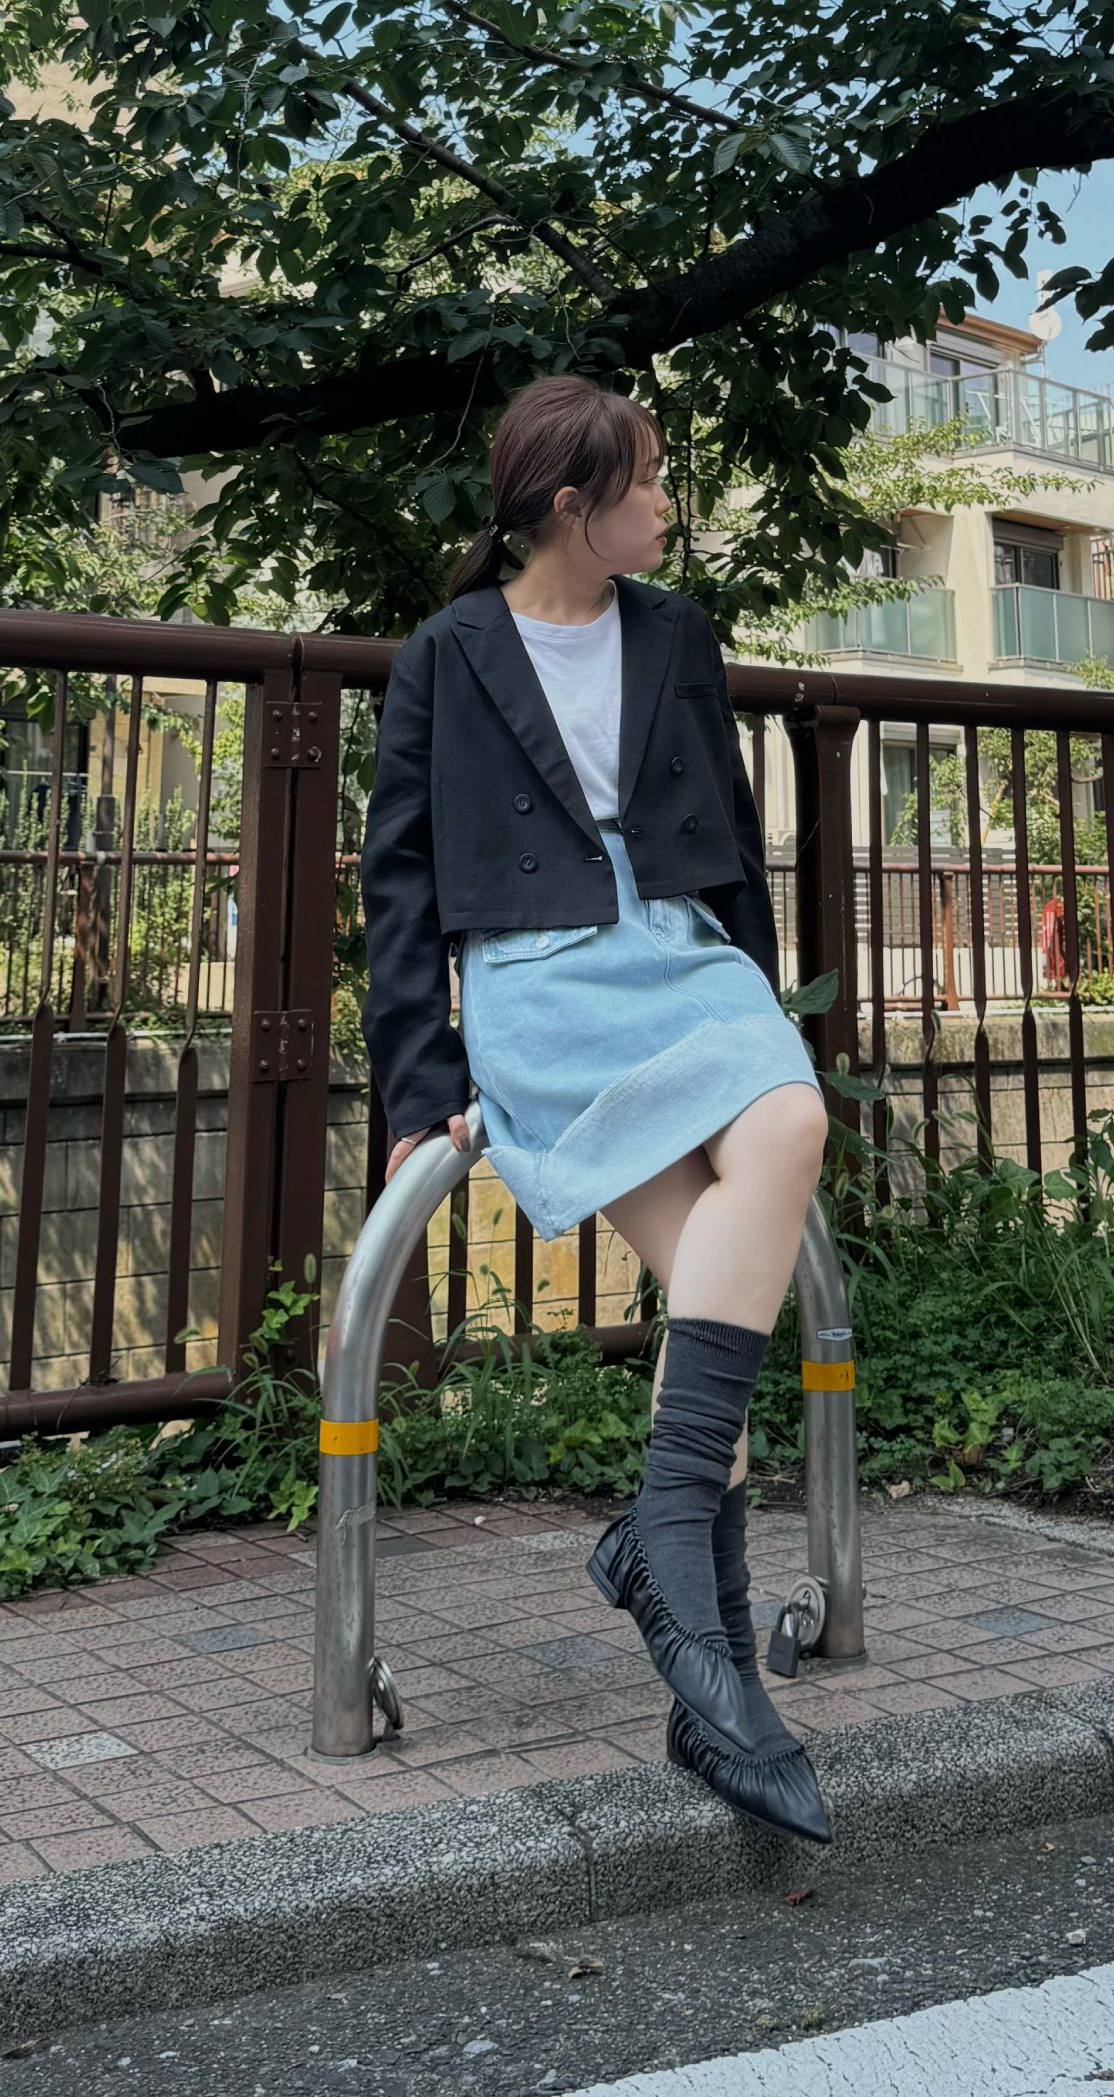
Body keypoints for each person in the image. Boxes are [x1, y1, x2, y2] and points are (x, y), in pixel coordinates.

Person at [359, 373, 832, 1845]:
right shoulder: (449, 651)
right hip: (543, 980)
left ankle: (662, 1539)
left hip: (684, 960)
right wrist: (423, 1078)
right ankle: (721, 1689)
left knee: (789, 1121)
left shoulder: (675, 630)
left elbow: (728, 834)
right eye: (651, 482)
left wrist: (756, 1012)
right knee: (719, 1299)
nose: (669, 506)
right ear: (576, 508)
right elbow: (398, 877)